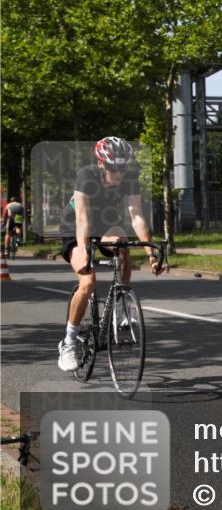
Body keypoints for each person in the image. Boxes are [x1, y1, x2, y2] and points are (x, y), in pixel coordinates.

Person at [57, 137, 163, 371]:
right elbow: (83, 219)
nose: (119, 173)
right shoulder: (87, 175)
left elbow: (136, 215)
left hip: (105, 224)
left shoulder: (129, 177)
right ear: (102, 164)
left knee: (123, 245)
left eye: (123, 168)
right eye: (114, 168)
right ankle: (69, 341)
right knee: (87, 282)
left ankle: (120, 308)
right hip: (75, 228)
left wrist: (150, 253)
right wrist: (84, 251)